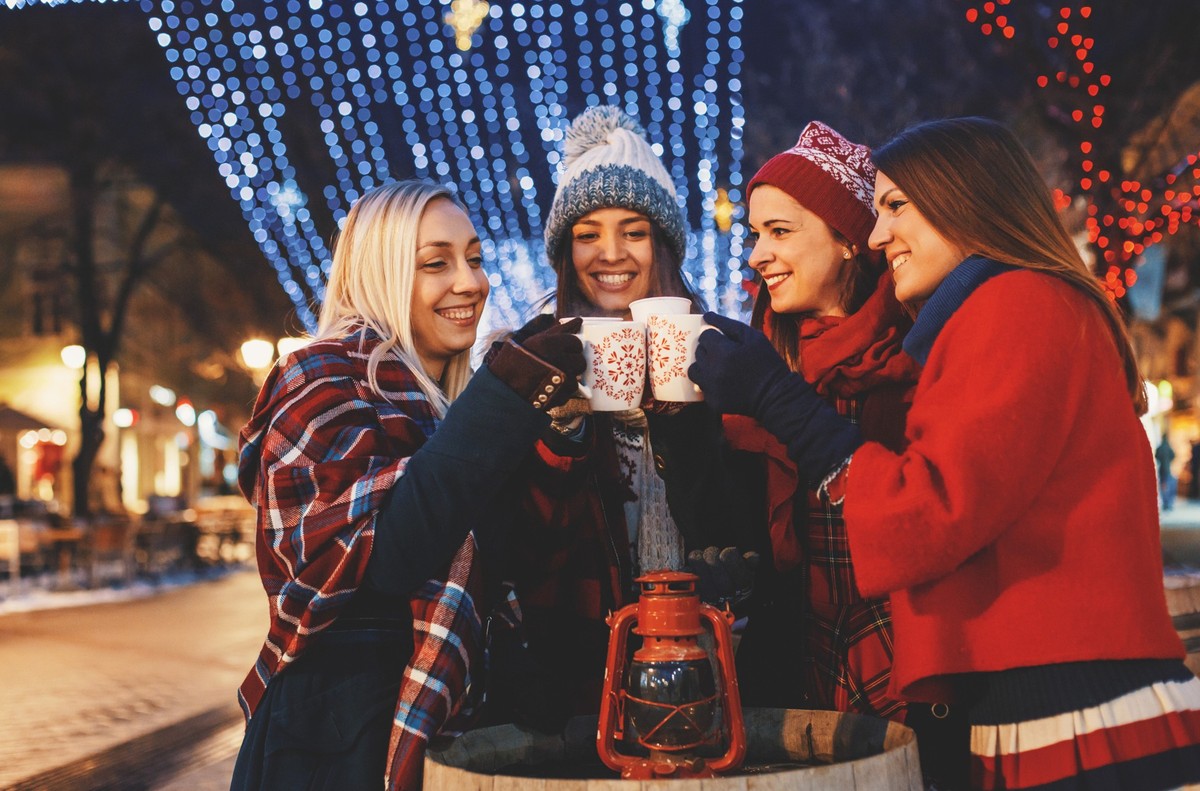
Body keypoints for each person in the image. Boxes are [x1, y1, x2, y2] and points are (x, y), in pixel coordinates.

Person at [689, 116, 1200, 790]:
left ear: (967, 198)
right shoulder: (1008, 308)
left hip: (1077, 711)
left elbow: (927, 510)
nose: (879, 235)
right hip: (1034, 706)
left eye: (895, 206)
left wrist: (782, 405)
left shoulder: (1017, 302)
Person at [230, 179, 585, 791]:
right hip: (333, 746)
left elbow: (511, 560)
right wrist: (505, 395)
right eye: (435, 264)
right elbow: (390, 558)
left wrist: (555, 435)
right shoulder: (317, 376)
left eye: (474, 258)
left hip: (444, 725)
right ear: (381, 275)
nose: (471, 283)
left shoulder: (451, 406)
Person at [490, 105, 761, 728]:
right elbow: (516, 553)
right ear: (565, 248)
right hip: (577, 684)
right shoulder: (529, 360)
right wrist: (563, 429)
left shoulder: (720, 353)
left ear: (662, 242)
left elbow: (746, 538)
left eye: (633, 230)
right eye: (587, 233)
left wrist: (684, 419)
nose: (609, 253)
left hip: (712, 668)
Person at [724, 122, 924, 725]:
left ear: (847, 239)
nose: (758, 254)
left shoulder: (918, 349)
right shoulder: (758, 364)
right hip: (801, 659)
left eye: (779, 231)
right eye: (756, 233)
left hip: (910, 653)